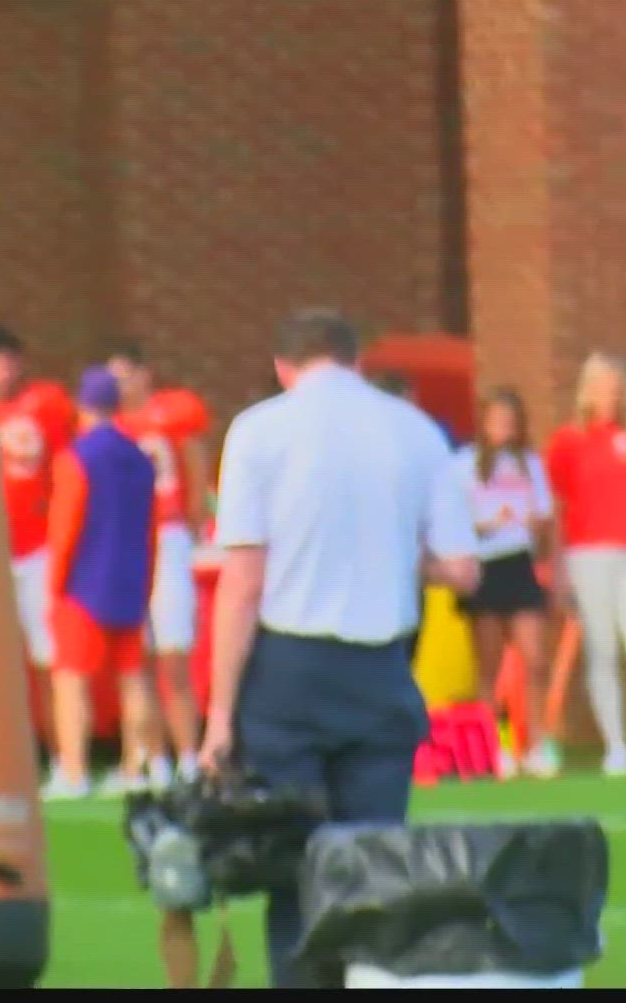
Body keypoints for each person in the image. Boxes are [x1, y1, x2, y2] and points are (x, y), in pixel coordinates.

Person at [199, 307, 478, 988]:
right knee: (375, 867)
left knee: (293, 868)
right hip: (382, 666)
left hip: (289, 670)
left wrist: (219, 715)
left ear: (283, 366)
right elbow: (463, 568)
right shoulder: (417, 432)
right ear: (357, 360)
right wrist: (396, 557)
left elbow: (242, 583)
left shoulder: (260, 430)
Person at [42, 368, 161, 799]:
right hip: (130, 579)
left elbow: (65, 526)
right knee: (133, 678)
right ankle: (135, 767)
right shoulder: (141, 458)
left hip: (83, 584)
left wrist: (54, 586)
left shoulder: (77, 456)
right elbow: (151, 528)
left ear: (82, 405)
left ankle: (73, 771)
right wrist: (147, 583)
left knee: (71, 680)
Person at [107, 342, 208, 783]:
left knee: (173, 653)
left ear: (145, 374)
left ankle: (188, 756)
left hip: (167, 536)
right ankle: (150, 757)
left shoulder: (172, 412)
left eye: (126, 374)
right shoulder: (108, 425)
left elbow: (196, 468)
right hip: (129, 540)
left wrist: (189, 526)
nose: (120, 385)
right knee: (136, 656)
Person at [448, 387, 558, 778]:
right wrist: (487, 525)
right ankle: (494, 747)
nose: (504, 428)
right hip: (485, 565)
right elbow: (453, 521)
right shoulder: (464, 464)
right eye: (497, 420)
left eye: (511, 421)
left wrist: (537, 533)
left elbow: (545, 519)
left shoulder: (529, 463)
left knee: (535, 657)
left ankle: (537, 744)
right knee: (489, 666)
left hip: (520, 564)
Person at [0, 326, 77, 759]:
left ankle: (63, 752)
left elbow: (67, 469)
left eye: (0, 360)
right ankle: (1, 759)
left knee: (49, 654)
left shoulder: (43, 404)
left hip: (37, 545)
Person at [543, 352, 626, 776]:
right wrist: (558, 568)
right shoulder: (567, 441)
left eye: (618, 388)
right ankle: (616, 745)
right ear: (588, 390)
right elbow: (557, 507)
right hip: (587, 554)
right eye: (606, 387)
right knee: (602, 648)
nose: (612, 396)